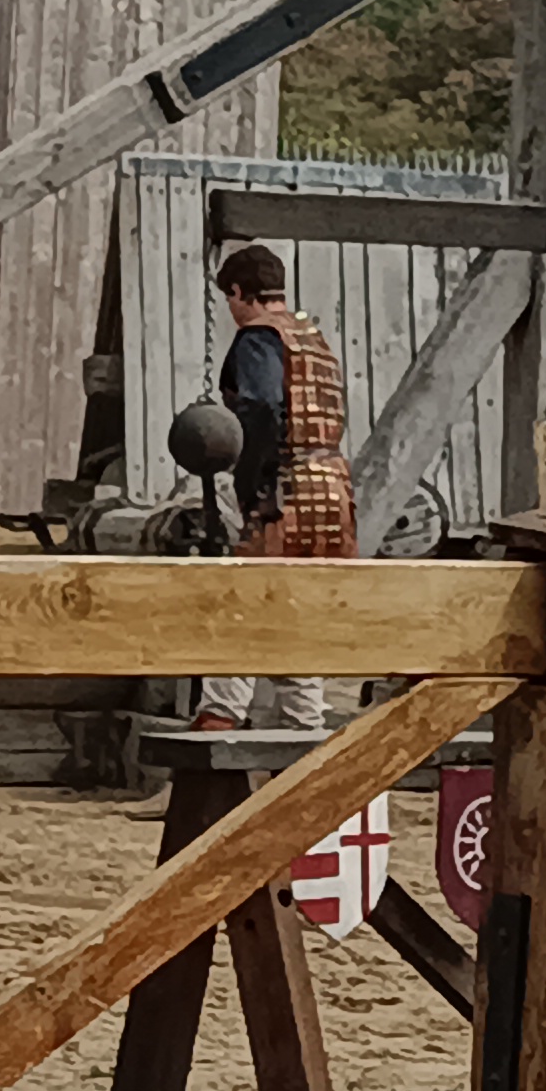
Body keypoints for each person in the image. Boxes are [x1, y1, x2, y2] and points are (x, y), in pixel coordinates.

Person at [193, 244, 354, 734]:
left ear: (238, 291)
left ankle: (219, 719)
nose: (231, 309)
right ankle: (304, 725)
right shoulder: (313, 340)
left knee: (245, 601)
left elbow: (260, 409)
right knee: (296, 610)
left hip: (283, 491)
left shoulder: (259, 338)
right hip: (332, 491)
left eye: (230, 298)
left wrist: (250, 486)